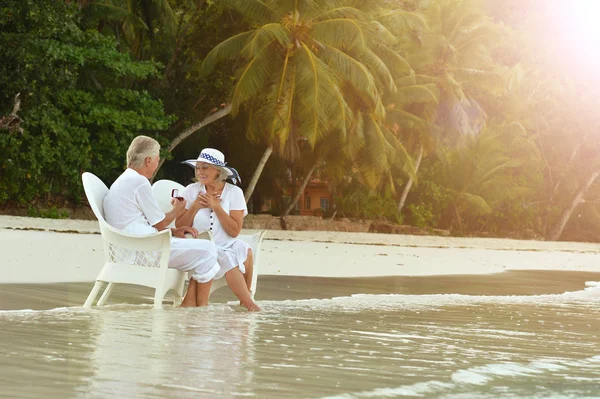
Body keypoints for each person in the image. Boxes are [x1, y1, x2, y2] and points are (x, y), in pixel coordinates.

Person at [103, 135, 219, 307]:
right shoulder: (139, 182)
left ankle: (189, 306)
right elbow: (159, 223)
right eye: (157, 160)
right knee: (209, 250)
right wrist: (177, 210)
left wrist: (174, 231)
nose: (157, 164)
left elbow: (142, 222)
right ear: (148, 160)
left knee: (202, 251)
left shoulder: (124, 180)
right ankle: (201, 309)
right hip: (145, 250)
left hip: (133, 247)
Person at [176, 148, 260, 311]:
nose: (200, 172)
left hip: (227, 243)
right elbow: (179, 226)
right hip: (198, 246)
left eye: (205, 167)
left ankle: (245, 301)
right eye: (198, 167)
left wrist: (217, 207)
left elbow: (234, 231)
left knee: (242, 249)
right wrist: (194, 207)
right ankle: (250, 305)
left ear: (218, 171)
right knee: (225, 256)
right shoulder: (191, 191)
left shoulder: (234, 193)